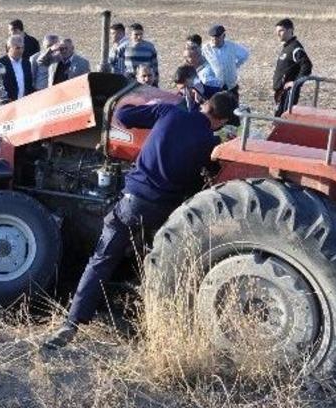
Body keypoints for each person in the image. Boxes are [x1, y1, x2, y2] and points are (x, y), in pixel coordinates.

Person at [44, 91, 237, 348]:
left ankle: (71, 323)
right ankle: (157, 328)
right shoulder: (208, 142)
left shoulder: (169, 112)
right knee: (162, 264)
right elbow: (206, 177)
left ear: (205, 104)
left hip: (132, 203)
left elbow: (123, 115)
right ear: (222, 121)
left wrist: (153, 105)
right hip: (165, 213)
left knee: (101, 260)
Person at [272, 18, 313, 116]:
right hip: (281, 93)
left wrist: (296, 83)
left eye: (281, 31)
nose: (278, 34)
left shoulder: (295, 48)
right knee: (278, 119)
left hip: (289, 93)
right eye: (277, 31)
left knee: (284, 118)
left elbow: (307, 66)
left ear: (290, 30)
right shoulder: (287, 47)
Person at [201, 24, 249, 97]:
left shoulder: (231, 46)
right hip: (214, 87)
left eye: (217, 37)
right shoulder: (205, 49)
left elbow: (245, 54)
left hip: (231, 86)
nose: (215, 40)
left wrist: (236, 65)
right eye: (212, 38)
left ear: (223, 36)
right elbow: (200, 64)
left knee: (233, 103)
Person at [0, 35, 33, 100]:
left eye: (22, 47)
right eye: (17, 48)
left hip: (24, 102)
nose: (21, 50)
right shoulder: (0, 64)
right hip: (8, 103)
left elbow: (28, 84)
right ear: (9, 48)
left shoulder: (26, 63)